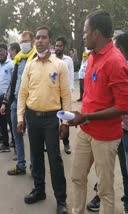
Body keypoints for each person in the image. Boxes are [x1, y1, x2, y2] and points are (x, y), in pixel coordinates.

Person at [68, 11, 128, 214]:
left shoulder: (115, 61)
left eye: (85, 31)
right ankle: (77, 211)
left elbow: (122, 106)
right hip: (86, 130)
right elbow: (93, 97)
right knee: (77, 177)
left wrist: (87, 116)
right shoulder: (92, 56)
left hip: (106, 137)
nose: (83, 35)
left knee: (105, 190)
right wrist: (79, 114)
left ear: (96, 33)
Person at [17, 26, 71, 214]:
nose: (39, 40)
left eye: (43, 37)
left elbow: (66, 95)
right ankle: (39, 190)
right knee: (36, 157)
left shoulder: (59, 65)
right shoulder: (30, 65)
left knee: (55, 159)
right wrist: (20, 117)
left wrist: (65, 123)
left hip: (51, 119)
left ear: (50, 40)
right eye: (37, 38)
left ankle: (61, 200)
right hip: (32, 117)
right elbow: (23, 93)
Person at [1, 31, 37, 175]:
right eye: (22, 41)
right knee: (17, 134)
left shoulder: (36, 58)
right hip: (16, 102)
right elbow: (13, 81)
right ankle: (21, 165)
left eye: (26, 41)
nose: (24, 43)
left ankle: (34, 167)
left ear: (32, 41)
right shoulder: (18, 59)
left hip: (31, 103)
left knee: (33, 138)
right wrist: (5, 101)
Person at [54, 36, 74, 155]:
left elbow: (71, 76)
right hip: (53, 96)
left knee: (65, 120)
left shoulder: (68, 60)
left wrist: (69, 92)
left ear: (64, 47)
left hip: (64, 95)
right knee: (52, 121)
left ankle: (66, 143)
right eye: (56, 45)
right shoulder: (51, 59)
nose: (57, 48)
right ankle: (51, 144)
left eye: (60, 46)